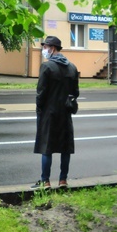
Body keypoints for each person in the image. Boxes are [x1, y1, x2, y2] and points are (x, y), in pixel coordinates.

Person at [32, 36, 79, 189]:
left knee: (47, 147)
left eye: (45, 47)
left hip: (49, 114)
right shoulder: (72, 67)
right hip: (65, 113)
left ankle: (45, 181)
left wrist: (39, 108)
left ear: (52, 48)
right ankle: (63, 180)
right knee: (65, 148)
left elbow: (41, 92)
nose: (44, 50)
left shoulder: (47, 67)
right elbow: (75, 93)